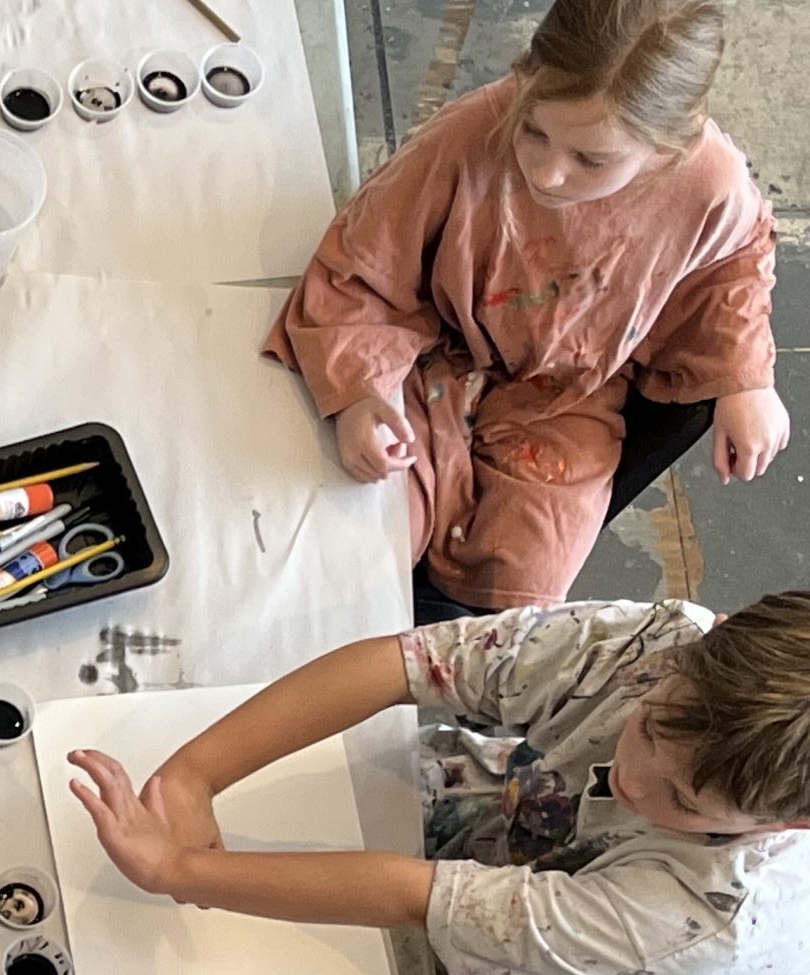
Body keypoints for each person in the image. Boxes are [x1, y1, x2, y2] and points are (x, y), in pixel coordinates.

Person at [64, 594, 810, 975]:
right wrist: (196, 774)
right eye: (645, 729)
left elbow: (414, 900)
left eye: (681, 801)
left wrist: (180, 874)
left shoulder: (717, 918)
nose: (634, 779)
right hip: (502, 811)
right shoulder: (658, 642)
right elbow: (407, 664)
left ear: (787, 822)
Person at [268, 0, 784, 621]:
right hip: (426, 356)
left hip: (572, 395)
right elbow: (360, 265)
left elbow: (735, 263)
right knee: (361, 539)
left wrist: (745, 380)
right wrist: (356, 394)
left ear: (667, 148)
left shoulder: (711, 182)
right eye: (534, 130)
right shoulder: (469, 133)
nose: (548, 172)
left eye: (591, 160)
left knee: (522, 587)